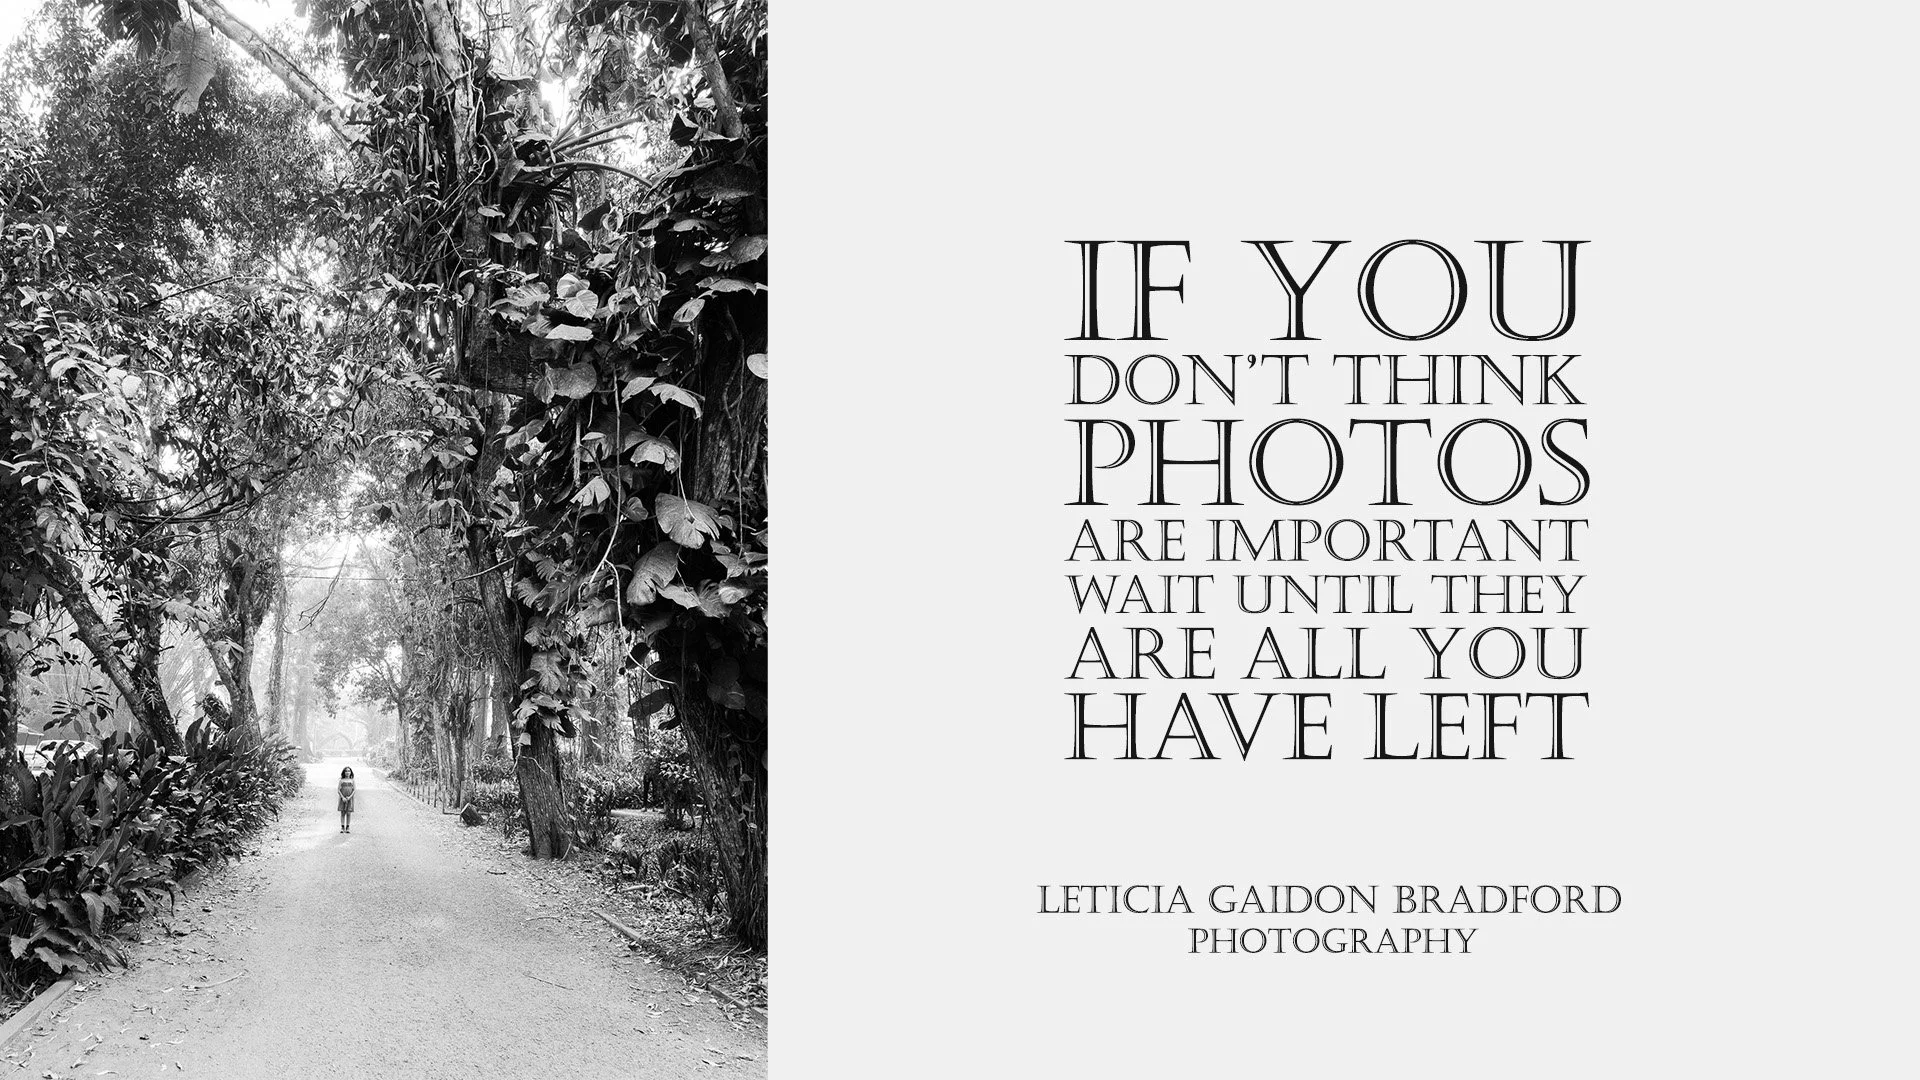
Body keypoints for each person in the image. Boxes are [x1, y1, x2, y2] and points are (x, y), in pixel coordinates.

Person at [338, 766, 357, 833]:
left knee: (348, 813)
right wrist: (342, 797)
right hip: (342, 798)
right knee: (343, 812)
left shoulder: (352, 780)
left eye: (349, 771)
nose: (347, 772)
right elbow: (338, 790)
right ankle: (342, 827)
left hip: (350, 799)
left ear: (351, 772)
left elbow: (354, 790)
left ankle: (348, 827)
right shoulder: (341, 780)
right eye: (346, 771)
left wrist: (350, 797)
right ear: (344, 772)